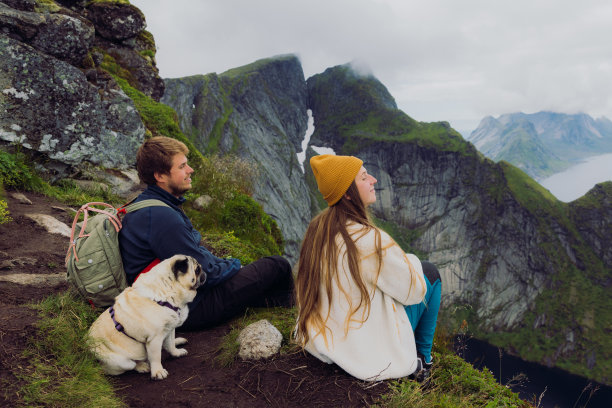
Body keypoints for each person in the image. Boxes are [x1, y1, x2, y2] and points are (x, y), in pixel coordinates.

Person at [119, 136, 294, 330]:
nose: (190, 170)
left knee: (253, 281)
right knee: (278, 265)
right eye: (182, 166)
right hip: (187, 309)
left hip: (160, 300)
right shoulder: (162, 217)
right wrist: (235, 264)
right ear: (160, 176)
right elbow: (204, 272)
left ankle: (272, 305)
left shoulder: (147, 204)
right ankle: (292, 311)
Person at [294, 154, 442, 382]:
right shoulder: (369, 240)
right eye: (364, 177)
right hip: (365, 350)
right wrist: (410, 261)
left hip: (325, 340)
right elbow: (414, 292)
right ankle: (422, 359)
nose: (373, 179)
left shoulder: (317, 230)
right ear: (347, 192)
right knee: (430, 273)